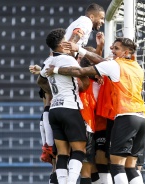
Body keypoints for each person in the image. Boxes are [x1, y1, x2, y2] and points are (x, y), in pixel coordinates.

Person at [46, 37, 145, 184]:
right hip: (142, 119)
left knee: (116, 166)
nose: (112, 51)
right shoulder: (137, 67)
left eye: (116, 49)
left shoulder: (114, 66)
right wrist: (82, 51)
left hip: (126, 117)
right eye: (112, 47)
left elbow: (81, 70)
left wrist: (55, 69)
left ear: (126, 52)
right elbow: (100, 61)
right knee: (131, 167)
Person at [37, 28, 89, 184]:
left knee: (63, 153)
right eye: (65, 40)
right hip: (69, 108)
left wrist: (53, 91)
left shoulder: (48, 62)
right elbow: (80, 73)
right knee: (79, 150)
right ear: (60, 45)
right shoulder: (67, 60)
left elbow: (39, 81)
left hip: (54, 110)